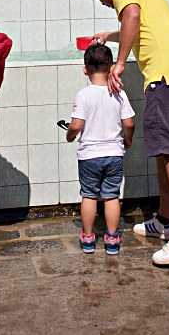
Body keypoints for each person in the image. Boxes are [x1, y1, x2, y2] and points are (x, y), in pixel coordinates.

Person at [85, 0, 169, 266]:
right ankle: (165, 220)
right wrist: (109, 36)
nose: (105, 3)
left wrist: (121, 62)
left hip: (166, 79)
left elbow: (132, 16)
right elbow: (135, 23)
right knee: (165, 152)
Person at [64, 43, 136, 255]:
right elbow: (129, 123)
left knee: (89, 195)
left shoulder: (83, 95)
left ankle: (88, 238)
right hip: (114, 154)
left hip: (89, 156)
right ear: (112, 67)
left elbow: (76, 125)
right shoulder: (119, 93)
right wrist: (127, 139)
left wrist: (69, 135)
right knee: (112, 196)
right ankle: (112, 239)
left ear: (85, 69)